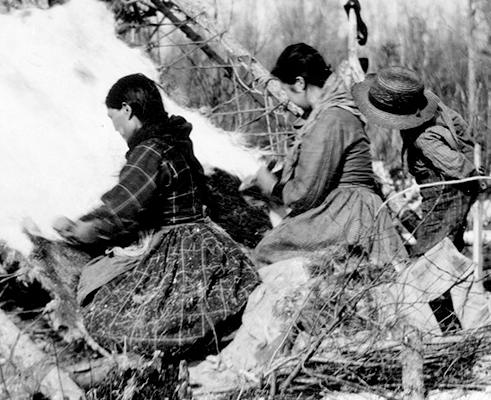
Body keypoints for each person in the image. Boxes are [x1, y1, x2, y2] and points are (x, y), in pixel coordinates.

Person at [53, 73, 259, 357]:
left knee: (109, 316)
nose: (115, 128)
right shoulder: (174, 138)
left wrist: (82, 228)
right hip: (207, 241)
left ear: (127, 110)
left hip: (178, 245)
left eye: (113, 117)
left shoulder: (149, 151)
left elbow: (122, 208)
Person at [251, 43, 403, 266]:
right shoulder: (331, 113)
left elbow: (306, 193)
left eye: (286, 91)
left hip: (350, 214)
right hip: (349, 208)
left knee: (268, 251)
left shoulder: (330, 119)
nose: (286, 98)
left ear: (300, 83)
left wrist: (271, 186)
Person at [352, 66, 485, 258]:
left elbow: (456, 164)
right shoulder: (426, 110)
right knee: (448, 249)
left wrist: (474, 175)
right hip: (442, 192)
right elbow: (461, 129)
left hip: (448, 194)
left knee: (430, 255)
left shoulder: (424, 138)